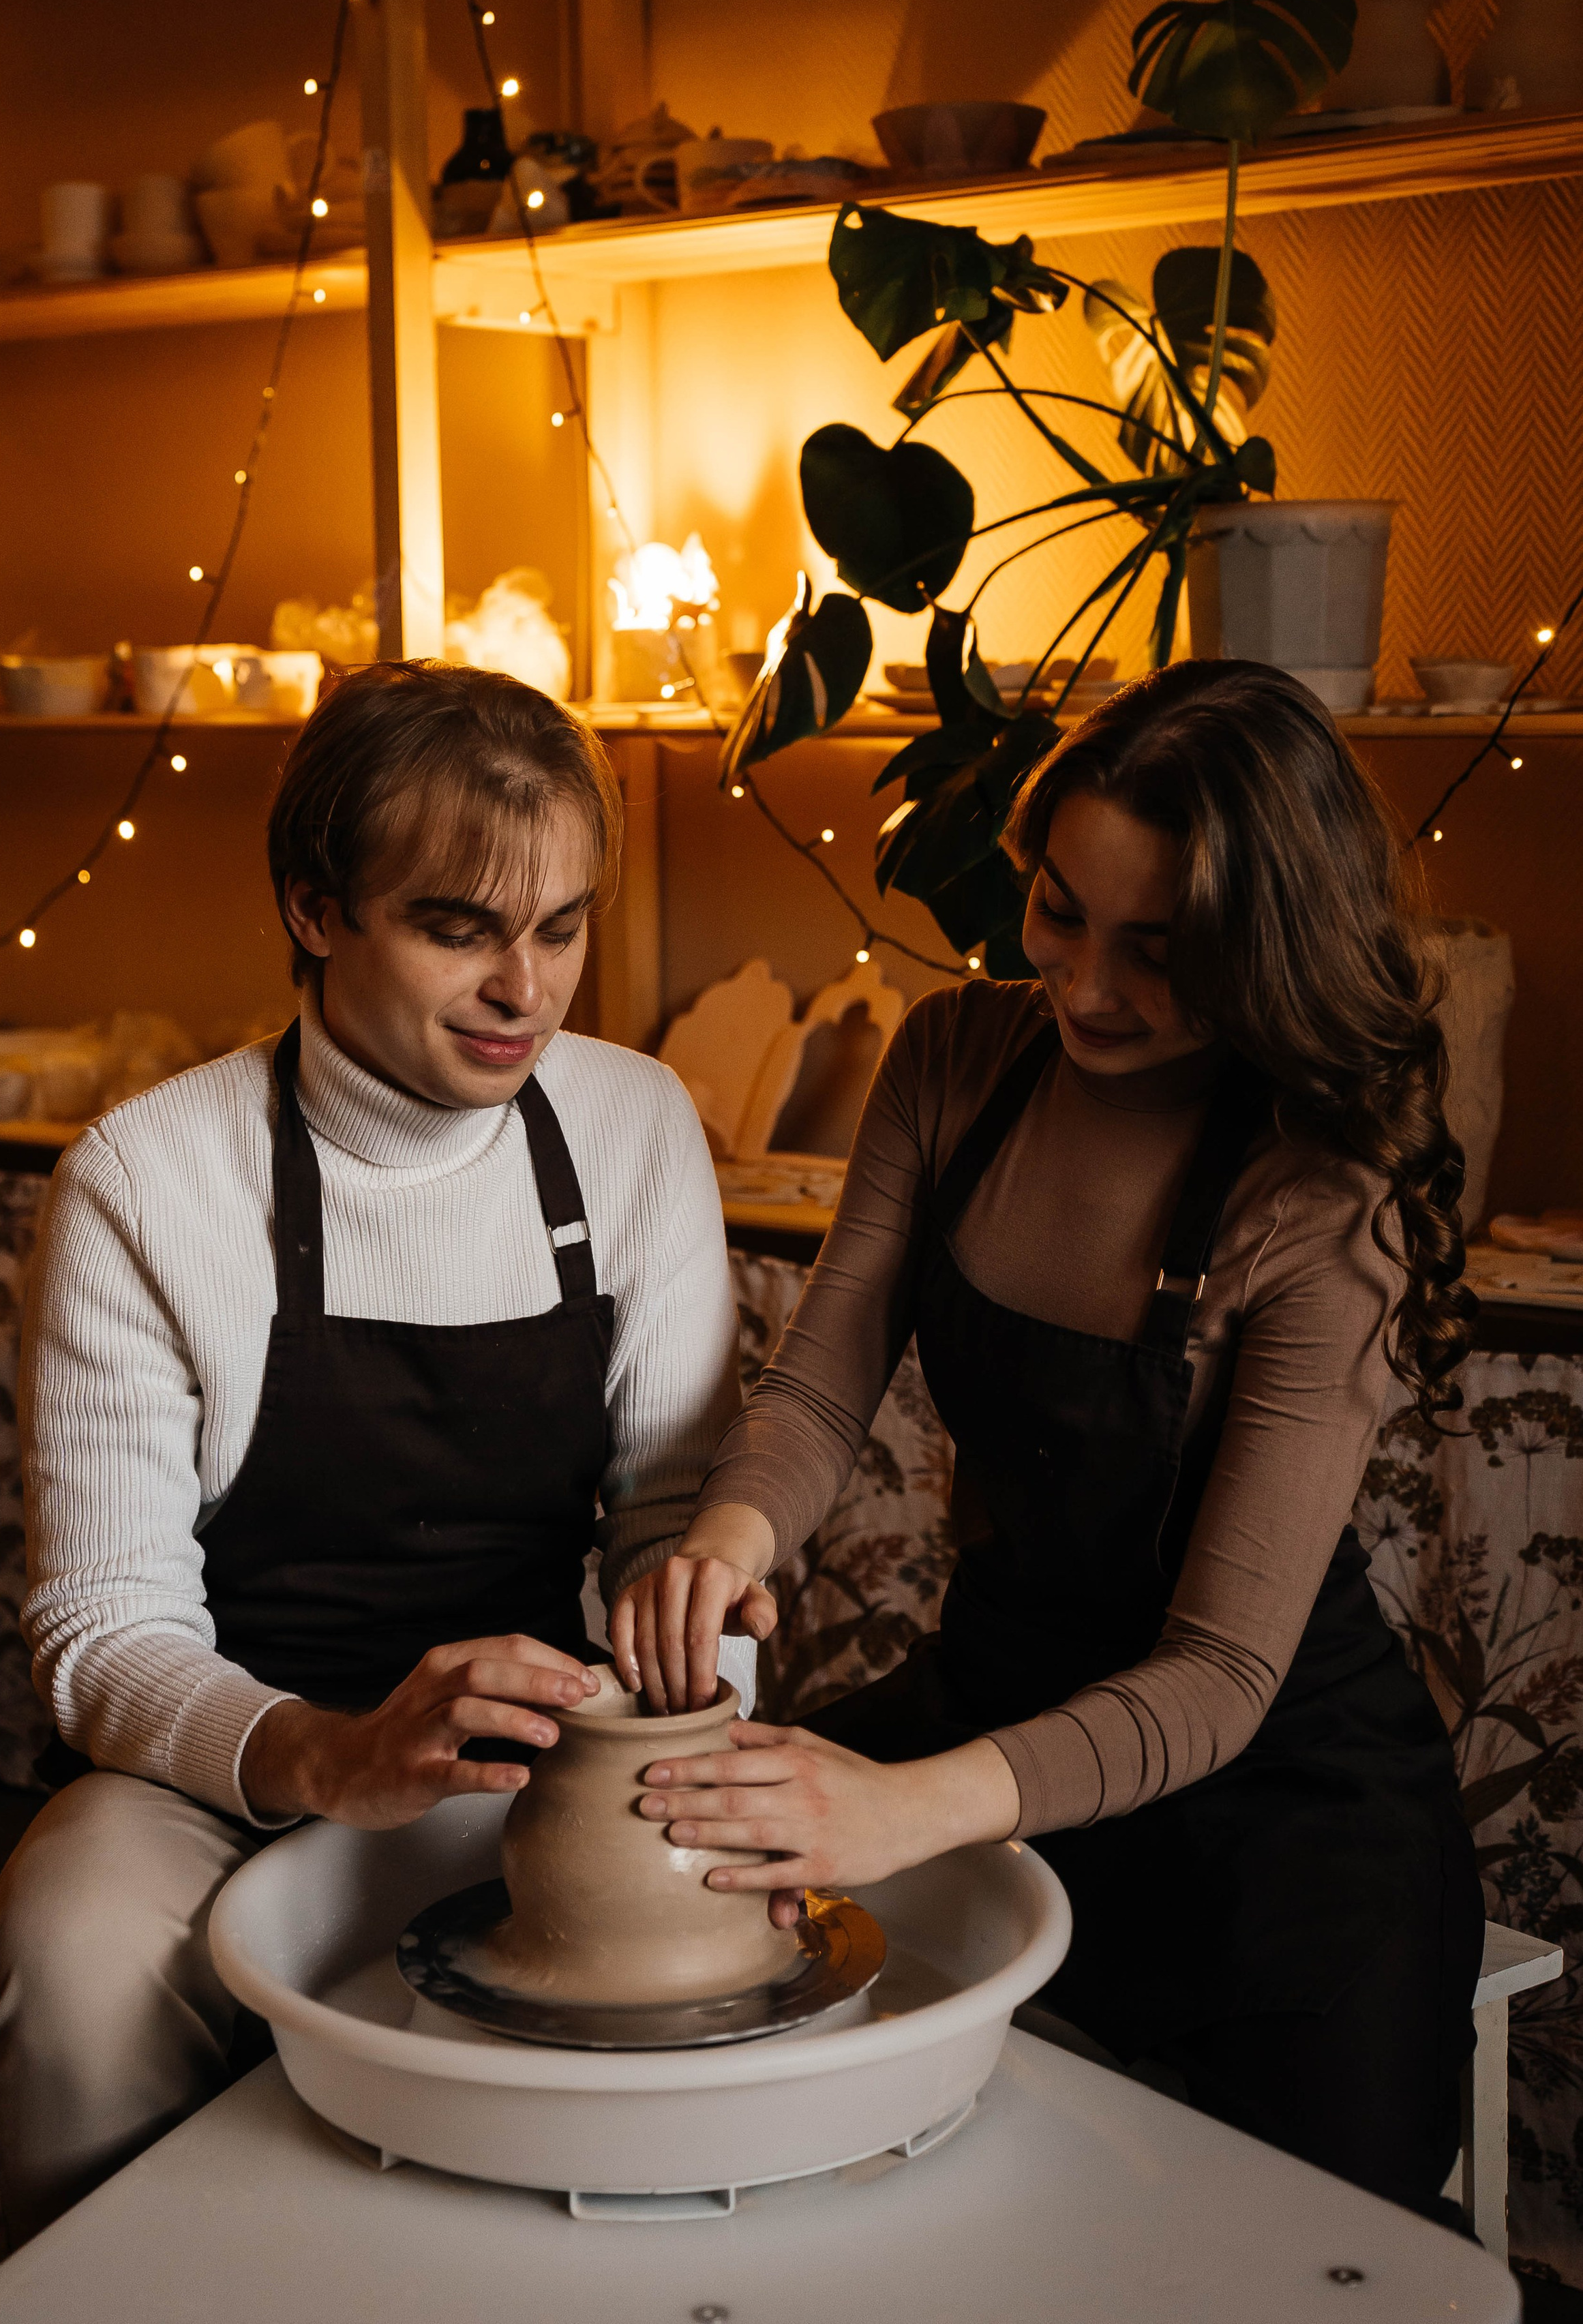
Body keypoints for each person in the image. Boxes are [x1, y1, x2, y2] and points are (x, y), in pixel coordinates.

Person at [613, 659, 1484, 2227]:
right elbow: (816, 1393)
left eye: (1154, 953)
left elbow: (1217, 1677)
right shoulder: (956, 1060)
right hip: (997, 1694)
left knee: (1283, 2254)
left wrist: (897, 1809)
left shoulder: (1317, 1198)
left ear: (1260, 950)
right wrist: (730, 1539)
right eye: (1056, 912)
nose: (1082, 985)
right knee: (675, 1911)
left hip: (1272, 1803)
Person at [0, 661, 740, 2243]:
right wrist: (330, 1757)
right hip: (218, 1763)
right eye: (460, 928)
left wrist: (689, 1626)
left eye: (562, 928)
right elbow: (99, 1634)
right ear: (316, 909)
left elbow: (667, 1505)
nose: (525, 992)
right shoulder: (148, 1176)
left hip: (534, 1757)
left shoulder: (635, 1122)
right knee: (66, 1964)